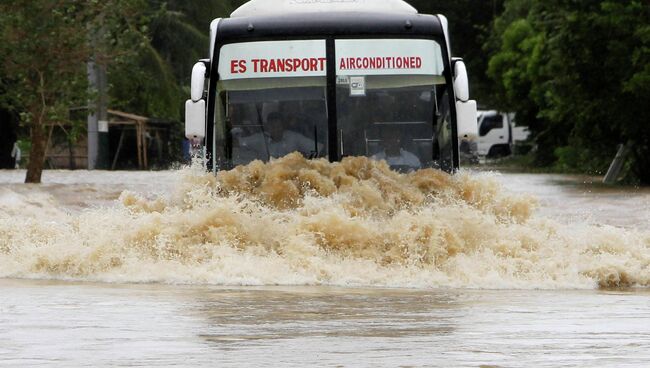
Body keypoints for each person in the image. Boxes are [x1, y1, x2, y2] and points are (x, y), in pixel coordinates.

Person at [239, 112, 320, 159]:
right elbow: (239, 143)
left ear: (283, 126)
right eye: (272, 127)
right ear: (267, 127)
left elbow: (318, 149)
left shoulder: (294, 138)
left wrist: (305, 162)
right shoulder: (259, 139)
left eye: (278, 126)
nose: (276, 130)